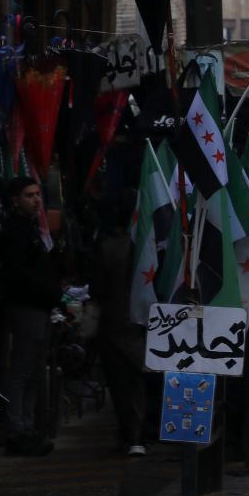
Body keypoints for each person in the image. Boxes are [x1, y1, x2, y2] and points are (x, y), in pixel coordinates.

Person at [0, 176, 59, 456]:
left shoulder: (31, 228)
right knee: (21, 370)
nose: (36, 199)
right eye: (29, 195)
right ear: (16, 199)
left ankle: (27, 428)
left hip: (39, 308)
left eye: (38, 194)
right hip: (27, 308)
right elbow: (18, 275)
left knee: (32, 373)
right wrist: (45, 293)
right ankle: (17, 430)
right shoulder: (14, 232)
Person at [92, 195, 149, 455]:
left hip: (115, 320)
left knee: (120, 382)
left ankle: (131, 433)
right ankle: (139, 434)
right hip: (143, 320)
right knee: (139, 380)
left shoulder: (108, 246)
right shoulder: (150, 245)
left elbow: (98, 287)